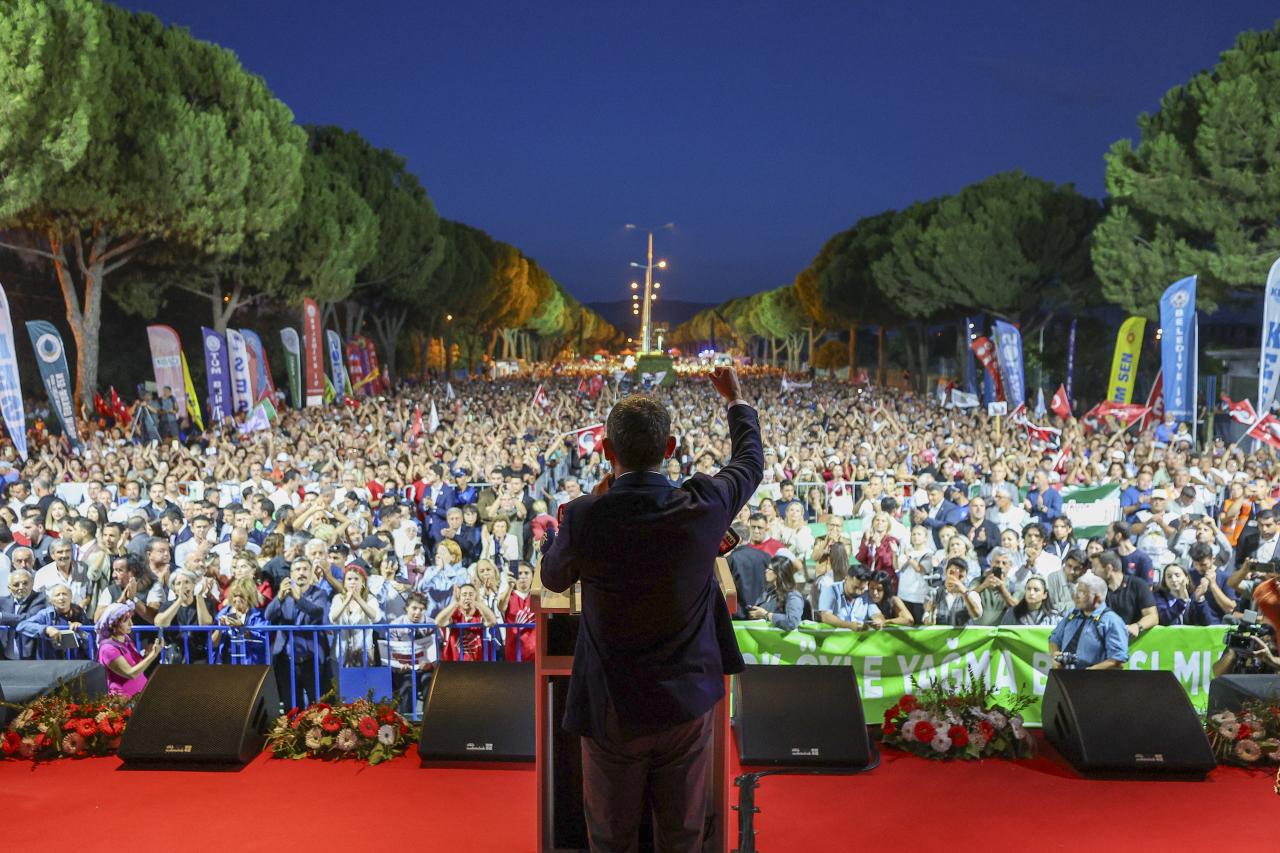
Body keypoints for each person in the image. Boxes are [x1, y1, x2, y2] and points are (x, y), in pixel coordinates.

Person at [540, 367, 760, 852]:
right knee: (681, 835)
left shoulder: (584, 515)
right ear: (671, 448)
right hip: (687, 701)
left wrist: (570, 527)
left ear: (607, 452)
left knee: (611, 836)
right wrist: (735, 400)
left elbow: (553, 577)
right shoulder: (704, 505)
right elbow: (749, 462)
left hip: (611, 706)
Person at [264, 557, 333, 709]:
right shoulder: (283, 595)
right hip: (286, 661)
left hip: (311, 659)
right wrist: (280, 597)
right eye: (297, 570)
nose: (301, 573)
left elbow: (317, 612)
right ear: (291, 574)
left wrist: (298, 598)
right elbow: (268, 616)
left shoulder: (319, 593)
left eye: (305, 569)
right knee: (291, 705)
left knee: (318, 706)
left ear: (310, 573)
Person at [1048, 573, 1129, 670]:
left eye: (1082, 593)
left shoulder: (1112, 621)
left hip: (1096, 680)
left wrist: (1089, 673)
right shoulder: (1072, 613)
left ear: (1097, 598)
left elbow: (1117, 660)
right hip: (1065, 676)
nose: (1076, 596)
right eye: (1076, 591)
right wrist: (1055, 655)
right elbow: (1054, 639)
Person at [95, 602, 164, 696]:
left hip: (140, 697)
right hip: (124, 702)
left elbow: (137, 666)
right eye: (126, 621)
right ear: (113, 624)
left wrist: (147, 654)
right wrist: (152, 655)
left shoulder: (126, 639)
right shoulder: (107, 649)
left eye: (130, 619)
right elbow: (131, 673)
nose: (131, 623)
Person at [387, 591, 436, 713]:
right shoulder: (395, 625)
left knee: (429, 684)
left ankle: (427, 723)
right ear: (406, 608)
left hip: (426, 669)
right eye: (414, 608)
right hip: (404, 671)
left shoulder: (432, 624)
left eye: (421, 609)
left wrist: (431, 663)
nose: (417, 612)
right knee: (408, 686)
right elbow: (392, 653)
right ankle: (406, 725)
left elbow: (436, 651)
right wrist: (399, 666)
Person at [1094, 551, 1159, 639]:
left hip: (1135, 645)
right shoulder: (1098, 590)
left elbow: (1153, 616)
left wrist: (1137, 626)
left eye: (1095, 567)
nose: (1093, 571)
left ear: (1108, 568)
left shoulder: (1138, 585)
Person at [17, 582, 90, 659]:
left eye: (64, 594)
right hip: (51, 661)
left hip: (76, 662)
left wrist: (81, 631)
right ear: (51, 600)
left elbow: (91, 638)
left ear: (71, 597)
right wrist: (46, 629)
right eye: (57, 595)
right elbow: (22, 625)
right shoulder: (46, 614)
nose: (61, 598)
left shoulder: (79, 612)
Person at [328, 566, 383, 666]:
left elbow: (376, 618)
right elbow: (332, 618)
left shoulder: (370, 599)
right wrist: (345, 602)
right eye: (349, 579)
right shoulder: (338, 598)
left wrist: (358, 599)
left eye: (356, 579)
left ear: (363, 583)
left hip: (364, 653)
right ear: (344, 583)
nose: (353, 582)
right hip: (342, 651)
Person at [211, 577, 269, 664]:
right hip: (226, 664)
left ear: (249, 597)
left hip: (251, 666)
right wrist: (220, 628)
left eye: (241, 596)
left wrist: (242, 628)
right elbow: (212, 644)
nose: (237, 599)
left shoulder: (259, 616)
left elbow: (261, 641)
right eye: (235, 595)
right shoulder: (223, 613)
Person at [434, 582, 497, 661]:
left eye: (471, 594)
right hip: (455, 661)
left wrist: (479, 602)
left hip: (478, 661)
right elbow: (439, 622)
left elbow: (492, 622)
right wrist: (455, 603)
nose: (467, 597)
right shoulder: (455, 613)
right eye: (464, 595)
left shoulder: (480, 613)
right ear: (459, 597)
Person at [748, 555, 805, 630]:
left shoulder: (793, 595)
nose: (766, 571)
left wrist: (766, 615)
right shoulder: (769, 592)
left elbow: (792, 622)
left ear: (778, 573)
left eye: (769, 569)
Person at [726, 521, 769, 619]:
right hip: (762, 611)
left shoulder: (730, 559)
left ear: (737, 539)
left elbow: (729, 590)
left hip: (739, 614)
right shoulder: (765, 556)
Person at [1153, 562, 1219, 626]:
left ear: (1187, 579)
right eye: (1169, 577)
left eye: (1177, 575)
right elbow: (1163, 619)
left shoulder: (1193, 596)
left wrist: (1200, 600)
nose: (1173, 579)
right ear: (1165, 581)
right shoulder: (1159, 596)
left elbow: (1206, 622)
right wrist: (1182, 601)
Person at [0, 568, 46, 659]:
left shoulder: (40, 599)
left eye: (25, 583)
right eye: (16, 585)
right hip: (5, 657)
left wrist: (2, 616)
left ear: (32, 584)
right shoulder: (2, 602)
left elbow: (30, 618)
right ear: (9, 588)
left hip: (30, 658)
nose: (21, 587)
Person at [923, 557, 982, 626]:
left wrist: (964, 593)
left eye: (960, 576)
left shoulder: (972, 595)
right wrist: (931, 614)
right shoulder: (934, 593)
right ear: (945, 572)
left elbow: (976, 615)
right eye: (951, 573)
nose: (955, 579)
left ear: (965, 577)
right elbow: (927, 622)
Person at [501, 561, 536, 663]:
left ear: (533, 576)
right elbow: (501, 606)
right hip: (513, 652)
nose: (523, 576)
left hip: (535, 651)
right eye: (519, 573)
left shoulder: (538, 596)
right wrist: (509, 586)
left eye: (526, 573)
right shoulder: (508, 595)